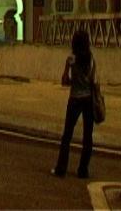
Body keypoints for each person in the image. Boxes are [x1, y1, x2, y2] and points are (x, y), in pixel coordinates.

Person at [52, 30, 97, 179]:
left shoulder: (71, 59)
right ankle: (83, 170)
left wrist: (71, 78)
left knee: (67, 135)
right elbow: (93, 80)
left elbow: (65, 81)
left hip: (75, 99)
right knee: (87, 136)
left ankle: (61, 168)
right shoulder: (91, 59)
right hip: (88, 99)